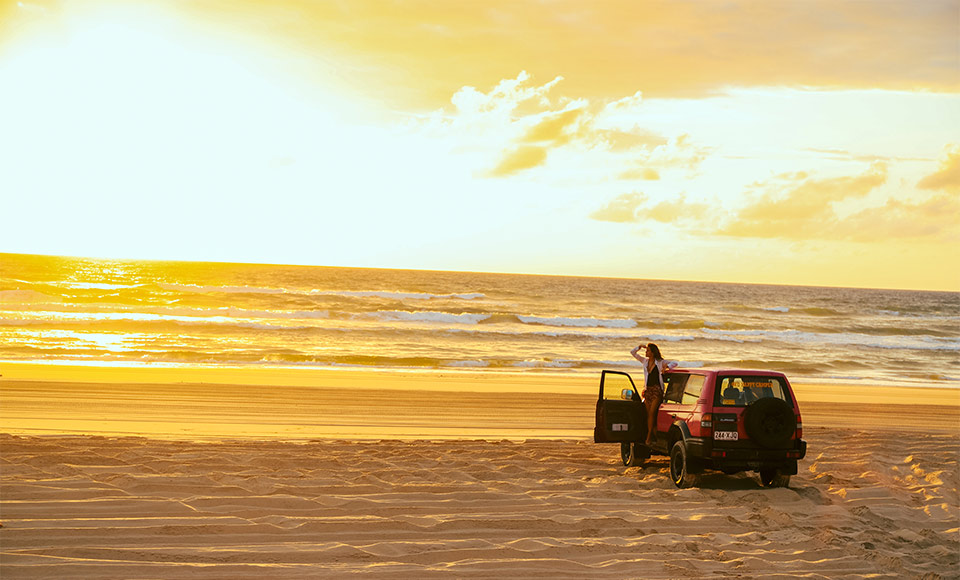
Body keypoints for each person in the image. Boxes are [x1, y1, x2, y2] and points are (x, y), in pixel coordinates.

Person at [630, 342, 679, 446]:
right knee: (649, 415)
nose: (646, 352)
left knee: (652, 413)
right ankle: (654, 434)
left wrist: (667, 367)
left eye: (647, 350)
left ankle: (648, 436)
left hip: (657, 390)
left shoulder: (660, 362)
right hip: (648, 390)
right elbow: (633, 353)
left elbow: (675, 363)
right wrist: (639, 347)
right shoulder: (645, 361)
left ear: (652, 352)